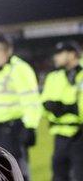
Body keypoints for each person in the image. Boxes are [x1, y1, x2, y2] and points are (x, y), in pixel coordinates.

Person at [0, 35, 41, 180]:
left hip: (12, 132)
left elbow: (31, 100)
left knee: (16, 173)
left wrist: (30, 127)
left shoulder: (20, 69)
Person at [42, 40, 82, 181]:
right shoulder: (53, 77)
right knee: (58, 177)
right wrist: (59, 108)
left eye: (60, 53)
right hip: (60, 137)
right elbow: (44, 104)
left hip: (80, 135)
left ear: (72, 55)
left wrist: (65, 108)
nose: (56, 57)